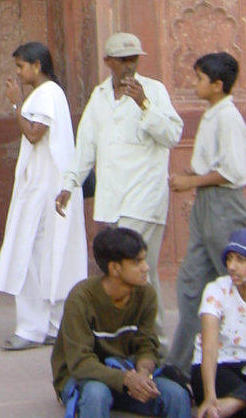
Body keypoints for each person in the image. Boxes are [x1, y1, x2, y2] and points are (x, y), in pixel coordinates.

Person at [56, 32, 183, 335]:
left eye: (133, 59)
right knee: (126, 273)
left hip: (144, 197)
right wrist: (69, 184)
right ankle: (131, 338)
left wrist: (144, 105)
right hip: (113, 199)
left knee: (136, 270)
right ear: (108, 62)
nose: (129, 65)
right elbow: (85, 145)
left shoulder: (154, 91)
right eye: (123, 59)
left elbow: (172, 135)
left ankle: (153, 342)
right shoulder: (99, 96)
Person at [0, 41, 88, 350]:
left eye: (21, 66)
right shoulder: (51, 94)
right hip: (47, 186)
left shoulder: (46, 94)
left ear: (37, 66)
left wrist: (15, 105)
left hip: (45, 189)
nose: (19, 73)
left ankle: (32, 328)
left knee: (32, 253)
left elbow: (34, 134)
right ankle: (51, 325)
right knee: (50, 253)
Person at [168, 53, 246, 378]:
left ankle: (239, 357)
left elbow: (231, 171)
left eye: (200, 78)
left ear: (217, 85)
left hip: (223, 205)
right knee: (191, 283)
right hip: (206, 204)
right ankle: (181, 366)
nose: (195, 83)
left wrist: (191, 180)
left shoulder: (228, 117)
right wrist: (191, 176)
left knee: (236, 279)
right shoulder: (213, 114)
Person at [51, 225, 191, 418]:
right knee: (97, 394)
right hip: (83, 378)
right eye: (137, 262)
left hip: (127, 370)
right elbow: (80, 363)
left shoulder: (146, 294)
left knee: (178, 395)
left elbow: (147, 345)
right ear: (115, 268)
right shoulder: (81, 298)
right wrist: (127, 379)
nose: (146, 267)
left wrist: (143, 374)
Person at [190, 229, 246, 418]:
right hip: (217, 366)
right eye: (230, 259)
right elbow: (209, 347)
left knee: (242, 409)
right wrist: (210, 396)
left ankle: (235, 402)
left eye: (241, 260)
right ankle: (243, 401)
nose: (232, 266)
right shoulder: (217, 290)